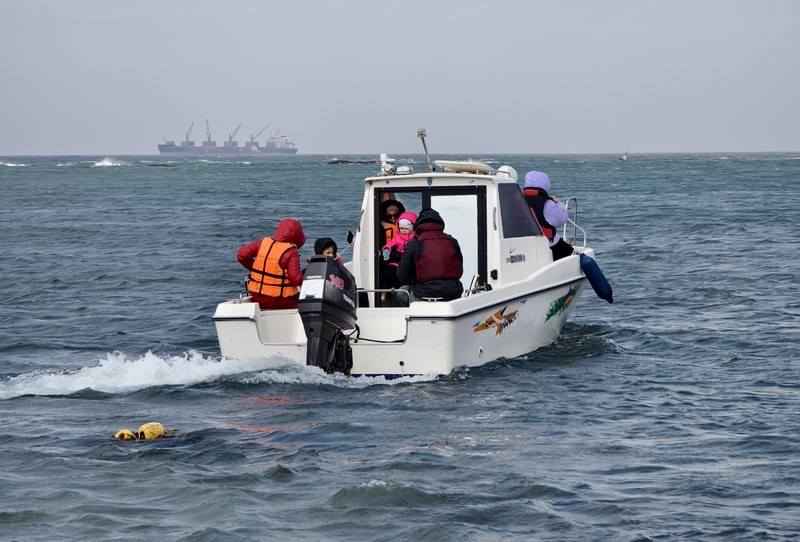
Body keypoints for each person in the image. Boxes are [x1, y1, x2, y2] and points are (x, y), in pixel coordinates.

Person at [237, 218, 306, 310]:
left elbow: (241, 255)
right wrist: (308, 275)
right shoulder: (291, 252)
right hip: (283, 301)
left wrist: (253, 268)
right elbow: (295, 280)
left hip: (258, 298)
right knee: (305, 304)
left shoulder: (262, 243)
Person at [397, 208, 463, 302]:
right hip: (452, 293)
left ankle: (408, 315)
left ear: (418, 224)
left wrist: (413, 280)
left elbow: (402, 274)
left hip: (422, 293)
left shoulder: (415, 242)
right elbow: (460, 269)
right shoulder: (452, 241)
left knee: (402, 293)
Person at [522, 171, 574, 261]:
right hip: (550, 245)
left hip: (525, 245)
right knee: (573, 255)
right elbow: (562, 218)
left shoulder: (518, 201)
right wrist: (558, 203)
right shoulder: (548, 203)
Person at [380, 211, 416, 291]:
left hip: (408, 261)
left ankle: (403, 291)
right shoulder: (397, 237)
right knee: (389, 272)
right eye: (402, 228)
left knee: (405, 276)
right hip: (396, 261)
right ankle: (384, 291)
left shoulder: (415, 238)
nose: (404, 231)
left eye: (406, 229)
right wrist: (386, 250)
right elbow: (390, 244)